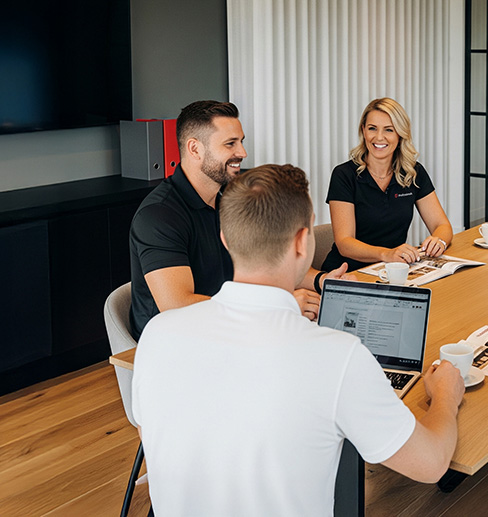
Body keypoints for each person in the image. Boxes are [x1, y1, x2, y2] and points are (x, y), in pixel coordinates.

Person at [132, 164, 465, 515]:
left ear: (226, 238)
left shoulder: (157, 335)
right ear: (303, 243)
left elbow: (153, 435)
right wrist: (445, 394)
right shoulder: (338, 355)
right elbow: (430, 464)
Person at [129, 100, 348, 339]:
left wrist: (322, 280)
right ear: (195, 149)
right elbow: (178, 306)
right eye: (230, 144)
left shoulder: (235, 195)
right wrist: (274, 308)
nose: (242, 153)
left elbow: (270, 257)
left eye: (241, 141)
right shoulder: (159, 216)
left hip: (233, 326)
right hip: (176, 342)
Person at [322, 98, 454, 272]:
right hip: (348, 272)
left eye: (389, 130)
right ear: (363, 131)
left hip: (393, 271)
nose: (379, 137)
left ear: (400, 135)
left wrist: (439, 240)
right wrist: (387, 254)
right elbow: (345, 243)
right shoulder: (344, 175)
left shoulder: (413, 172)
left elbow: (442, 225)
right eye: (372, 129)